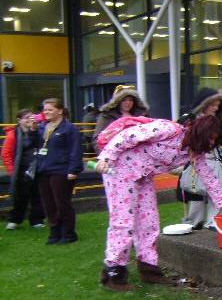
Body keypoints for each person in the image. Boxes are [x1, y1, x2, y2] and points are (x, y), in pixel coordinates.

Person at [95, 115, 222, 291]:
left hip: (144, 177)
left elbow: (208, 177)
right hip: (119, 169)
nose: (212, 143)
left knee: (149, 222)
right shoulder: (168, 130)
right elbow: (128, 135)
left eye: (215, 139)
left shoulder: (195, 151)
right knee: (123, 222)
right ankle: (113, 272)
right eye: (211, 137)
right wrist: (107, 156)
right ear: (201, 131)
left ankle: (149, 268)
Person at [180, 88, 222, 229]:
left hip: (213, 162)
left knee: (215, 196)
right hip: (194, 164)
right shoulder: (189, 120)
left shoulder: (217, 120)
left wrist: (221, 136)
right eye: (213, 104)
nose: (216, 107)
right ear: (205, 103)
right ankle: (193, 225)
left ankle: (212, 224)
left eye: (217, 104)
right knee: (196, 195)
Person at [35, 98, 84, 245]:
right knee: (48, 203)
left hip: (61, 171)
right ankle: (54, 231)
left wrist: (73, 170)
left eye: (50, 109)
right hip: (44, 170)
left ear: (60, 111)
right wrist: (29, 130)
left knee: (62, 203)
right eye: (45, 110)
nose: (46, 112)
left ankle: (68, 233)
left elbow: (75, 150)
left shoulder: (69, 129)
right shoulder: (42, 127)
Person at [1, 109, 45, 230]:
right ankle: (15, 219)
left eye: (31, 117)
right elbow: (6, 154)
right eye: (26, 118)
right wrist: (12, 171)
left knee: (37, 195)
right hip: (21, 169)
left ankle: (36, 220)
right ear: (19, 120)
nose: (29, 120)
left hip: (37, 167)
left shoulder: (38, 131)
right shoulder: (13, 134)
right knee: (21, 196)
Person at [93, 85, 148, 153]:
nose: (128, 103)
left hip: (140, 156)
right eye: (124, 100)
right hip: (115, 156)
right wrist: (105, 158)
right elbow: (97, 140)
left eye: (131, 100)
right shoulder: (106, 116)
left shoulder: (141, 116)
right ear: (117, 101)